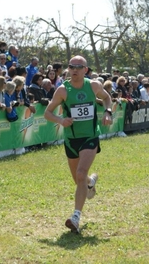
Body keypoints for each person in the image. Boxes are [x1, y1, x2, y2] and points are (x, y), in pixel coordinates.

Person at [44, 55, 113, 233]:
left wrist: (107, 112)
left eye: (78, 67)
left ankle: (75, 217)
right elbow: (47, 113)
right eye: (71, 66)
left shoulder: (93, 86)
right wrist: (60, 120)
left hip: (89, 136)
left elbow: (107, 98)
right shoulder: (62, 90)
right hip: (71, 139)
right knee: (78, 179)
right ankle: (90, 183)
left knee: (80, 174)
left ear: (85, 70)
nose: (74, 70)